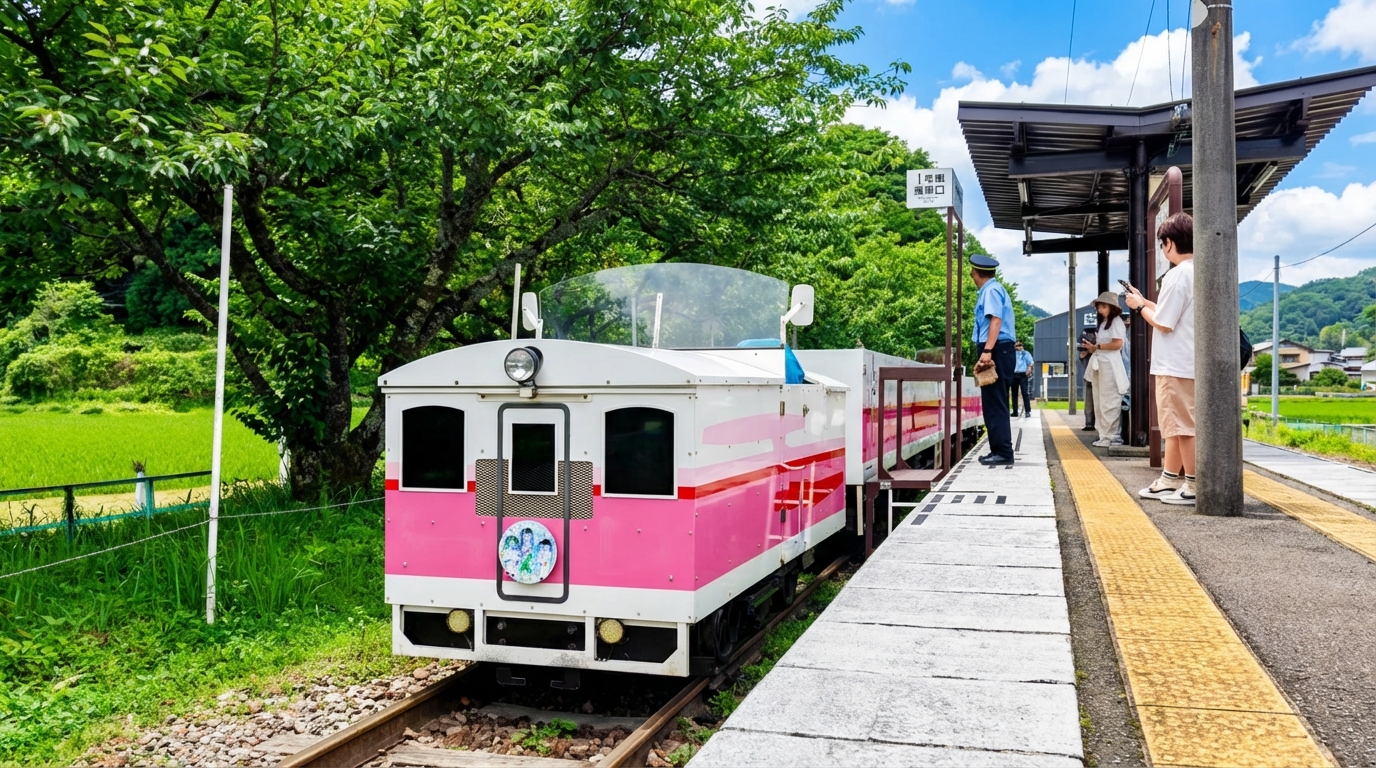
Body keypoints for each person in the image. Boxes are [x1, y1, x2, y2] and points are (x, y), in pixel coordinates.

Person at [1125, 212, 1196, 505]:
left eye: (1163, 243)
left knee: (1183, 426)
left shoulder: (1177, 274)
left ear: (1168, 243)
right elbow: (1174, 313)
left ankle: (1193, 486)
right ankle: (1169, 478)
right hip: (1189, 361)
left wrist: (1138, 308)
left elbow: (1164, 322)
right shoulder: (1197, 271)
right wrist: (1145, 301)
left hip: (1175, 363)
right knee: (1175, 426)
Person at [970, 254, 1018, 465]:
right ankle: (998, 449)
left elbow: (995, 320)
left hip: (997, 349)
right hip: (998, 348)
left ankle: (1004, 453)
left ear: (976, 273)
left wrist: (988, 350)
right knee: (993, 403)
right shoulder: (993, 289)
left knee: (995, 403)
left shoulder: (990, 291)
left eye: (972, 271)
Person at [1080, 292, 1128, 447]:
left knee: (1109, 399)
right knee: (1100, 399)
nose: (1101, 309)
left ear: (1112, 307)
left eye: (1104, 306)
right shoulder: (1104, 323)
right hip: (1102, 362)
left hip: (1110, 363)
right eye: (1099, 306)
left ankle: (1113, 436)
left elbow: (1117, 344)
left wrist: (1097, 346)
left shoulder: (1116, 322)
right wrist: (1093, 348)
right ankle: (1104, 434)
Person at [1079, 325, 1097, 432]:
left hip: (1089, 375)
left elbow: (1081, 356)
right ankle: (1091, 422)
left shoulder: (1084, 333)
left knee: (1089, 391)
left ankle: (1089, 422)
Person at [1011, 341, 1034, 417]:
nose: (1018, 347)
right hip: (1014, 374)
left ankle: (1027, 411)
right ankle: (1015, 411)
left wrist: (1029, 368)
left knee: (1025, 393)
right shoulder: (1013, 353)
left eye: (1020, 345)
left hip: (1023, 374)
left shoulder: (1026, 353)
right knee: (1014, 393)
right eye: (1017, 345)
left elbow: (1031, 362)